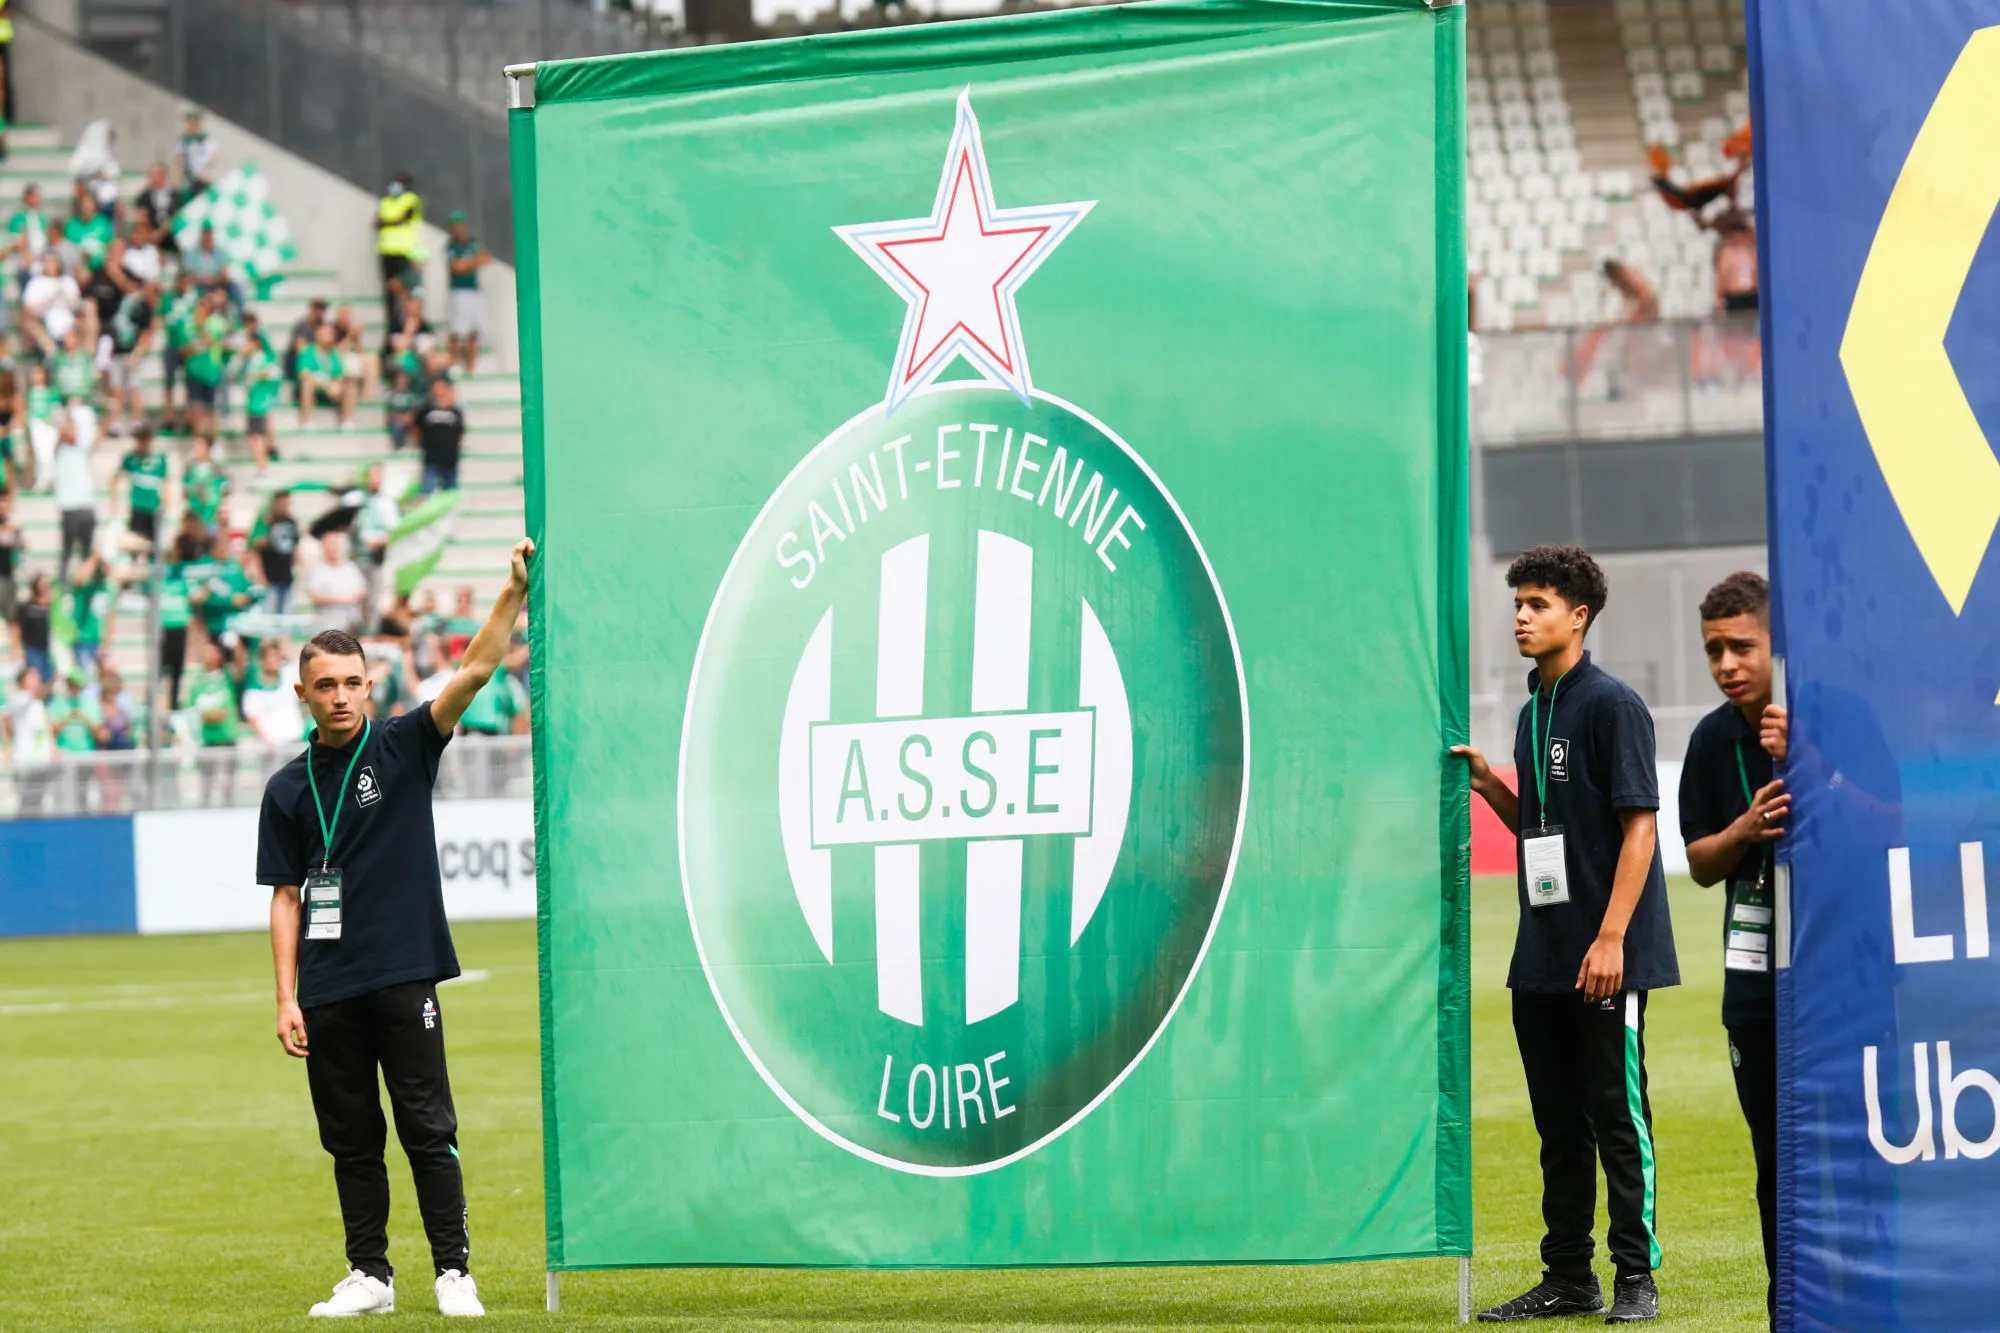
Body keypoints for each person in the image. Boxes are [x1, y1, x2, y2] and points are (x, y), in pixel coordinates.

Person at [258, 539, 534, 1320]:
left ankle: (454, 1270)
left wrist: (511, 592)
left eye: (351, 682)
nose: (340, 695)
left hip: (405, 970)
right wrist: (287, 997)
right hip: (327, 985)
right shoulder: (285, 788)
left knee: (426, 1125)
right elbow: (284, 896)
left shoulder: (406, 744)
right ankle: (370, 1274)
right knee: (350, 1138)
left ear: (370, 687)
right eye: (325, 685)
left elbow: (476, 670)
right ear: (303, 694)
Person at [1454, 544, 1674, 1325]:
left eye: (1538, 602)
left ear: (1579, 616)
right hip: (1542, 956)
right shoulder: (1529, 711)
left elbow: (1640, 830)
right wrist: (1490, 786)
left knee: (1617, 1117)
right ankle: (1569, 1278)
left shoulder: (1612, 705)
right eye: (1518, 602)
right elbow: (1538, 828)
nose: (1520, 615)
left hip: (1604, 953)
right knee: (1557, 1128)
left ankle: (1636, 1278)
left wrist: (1612, 937)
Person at [1678, 572, 1784, 1328]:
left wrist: (1811, 759)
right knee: (1775, 1161)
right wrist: (1745, 829)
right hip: (1753, 988)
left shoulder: (1830, 718)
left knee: (1859, 1151)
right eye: (1714, 648)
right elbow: (1700, 861)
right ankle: (1792, 1303)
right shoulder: (1711, 740)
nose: (1726, 663)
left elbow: (1893, 819)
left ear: (1778, 642)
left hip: (1844, 979)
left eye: (1741, 645)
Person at [183, 636, 240, 804]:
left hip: (227, 738)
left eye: (211, 652)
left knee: (227, 787)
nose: (207, 656)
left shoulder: (227, 678)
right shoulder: (197, 683)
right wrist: (208, 716)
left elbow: (240, 663)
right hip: (208, 740)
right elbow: (192, 711)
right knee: (206, 786)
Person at [239, 310, 284, 483]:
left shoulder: (262, 361)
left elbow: (273, 376)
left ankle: (263, 470)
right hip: (256, 403)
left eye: (248, 343)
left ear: (256, 344)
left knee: (256, 438)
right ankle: (262, 469)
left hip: (258, 404)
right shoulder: (255, 361)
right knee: (256, 437)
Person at [443, 213, 490, 375]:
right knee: (456, 329)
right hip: (458, 291)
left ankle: (471, 365)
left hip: (474, 291)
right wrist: (473, 262)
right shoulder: (450, 246)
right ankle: (453, 362)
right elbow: (456, 268)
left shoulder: (473, 243)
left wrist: (467, 263)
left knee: (473, 329)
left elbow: (486, 258)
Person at [375, 172, 422, 330]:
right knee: (391, 294)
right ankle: (393, 330)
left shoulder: (411, 200)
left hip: (404, 254)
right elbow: (377, 222)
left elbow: (402, 219)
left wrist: (387, 222)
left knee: (406, 294)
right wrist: (391, 222)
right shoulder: (385, 202)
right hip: (387, 253)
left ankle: (410, 329)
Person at [51, 418, 94, 584]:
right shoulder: (60, 451)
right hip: (69, 507)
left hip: (86, 505)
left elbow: (99, 437)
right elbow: (60, 438)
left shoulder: (82, 450)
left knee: (87, 552)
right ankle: (62, 584)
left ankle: (87, 583)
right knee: (67, 551)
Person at [115, 425, 167, 553]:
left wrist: (165, 501)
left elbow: (165, 482)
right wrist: (114, 501)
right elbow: (115, 478)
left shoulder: (159, 460)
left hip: (153, 507)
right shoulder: (131, 459)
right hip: (137, 507)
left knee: (153, 545)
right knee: (135, 544)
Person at [305, 530, 368, 634]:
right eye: (329, 548)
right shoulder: (317, 569)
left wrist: (354, 597)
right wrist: (341, 600)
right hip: (328, 625)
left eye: (334, 548)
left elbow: (363, 590)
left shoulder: (350, 567)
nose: (332, 551)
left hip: (352, 623)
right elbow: (314, 596)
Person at [253, 489, 301, 614]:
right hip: (270, 576)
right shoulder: (265, 520)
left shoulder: (291, 521)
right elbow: (256, 546)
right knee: (270, 616)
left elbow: (295, 547)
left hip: (286, 575)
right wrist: (259, 574)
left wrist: (297, 568)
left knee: (286, 615)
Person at [297, 321, 351, 429]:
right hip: (315, 389)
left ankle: (347, 420)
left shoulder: (334, 353)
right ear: (318, 334)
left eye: (331, 333)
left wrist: (337, 384)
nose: (330, 335)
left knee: (349, 384)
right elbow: (304, 374)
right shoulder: (307, 351)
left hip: (331, 391)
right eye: (327, 332)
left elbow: (340, 374)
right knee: (307, 383)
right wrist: (326, 385)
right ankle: (307, 421)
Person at [416, 379, 465, 496]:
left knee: (451, 492)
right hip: (431, 458)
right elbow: (416, 428)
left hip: (450, 459)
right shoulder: (426, 410)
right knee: (426, 491)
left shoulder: (455, 412)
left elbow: (460, 431)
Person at [68, 551, 110, 675]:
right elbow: (78, 577)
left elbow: (110, 620)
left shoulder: (108, 591)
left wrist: (106, 645)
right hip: (82, 639)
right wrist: (94, 557)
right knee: (84, 678)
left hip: (98, 641)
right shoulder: (84, 589)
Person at [47, 666, 104, 753]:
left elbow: (98, 733)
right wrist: (68, 718)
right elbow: (52, 730)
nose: (75, 688)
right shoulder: (57, 703)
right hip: (64, 754)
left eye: (78, 685)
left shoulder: (92, 704)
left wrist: (84, 718)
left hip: (86, 753)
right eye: (72, 684)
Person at [183, 434, 227, 535]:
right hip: (195, 515)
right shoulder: (190, 468)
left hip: (212, 516)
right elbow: (185, 491)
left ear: (208, 447)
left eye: (200, 445)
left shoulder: (217, 468)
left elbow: (224, 489)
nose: (197, 448)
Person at [12, 570, 50, 681]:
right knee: (34, 679)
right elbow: (16, 628)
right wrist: (17, 648)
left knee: (48, 680)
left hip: (49, 650)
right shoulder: (26, 607)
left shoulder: (52, 607)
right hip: (32, 649)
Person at [175, 106, 217, 204]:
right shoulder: (183, 141)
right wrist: (179, 183)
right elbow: (180, 163)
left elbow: (214, 159)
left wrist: (209, 175)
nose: (192, 125)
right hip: (189, 183)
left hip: (204, 181)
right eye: (189, 122)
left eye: (194, 122)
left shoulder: (207, 140)